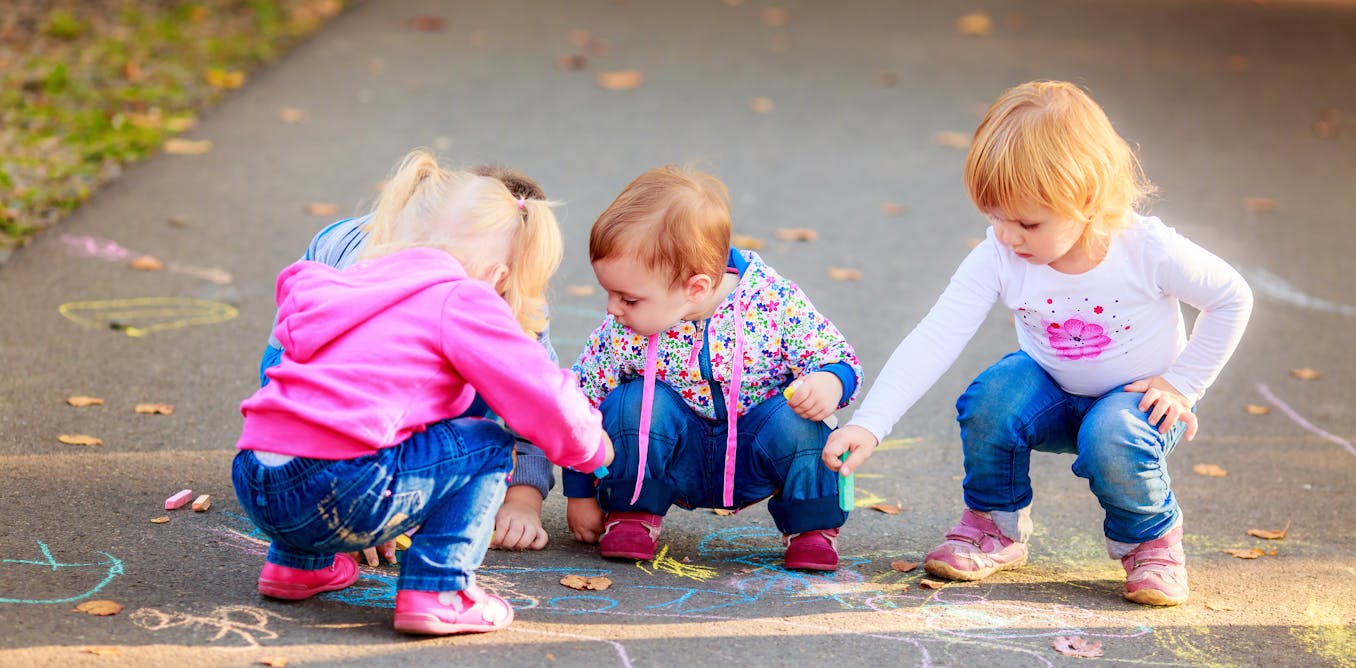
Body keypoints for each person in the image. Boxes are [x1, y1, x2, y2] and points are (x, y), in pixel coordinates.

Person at [823, 81, 1253, 606]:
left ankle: (1151, 545)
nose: (1008, 236)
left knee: (1113, 434)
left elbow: (1231, 297)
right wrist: (871, 422)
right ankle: (993, 525)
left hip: (1136, 408)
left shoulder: (1147, 249)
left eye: (1027, 222)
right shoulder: (1000, 254)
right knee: (993, 397)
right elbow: (937, 334)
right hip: (1051, 394)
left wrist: (1182, 384)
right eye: (994, 217)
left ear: (1087, 200)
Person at [233, 149, 613, 635]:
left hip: (257, 477)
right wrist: (590, 447)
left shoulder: (335, 278)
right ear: (498, 275)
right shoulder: (462, 296)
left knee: (334, 424)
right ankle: (439, 590)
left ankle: (296, 566)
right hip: (341, 487)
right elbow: (541, 395)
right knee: (488, 443)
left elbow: (294, 372)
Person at [563, 166, 862, 571]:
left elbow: (837, 356)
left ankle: (812, 527)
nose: (612, 308)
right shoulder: (622, 329)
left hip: (754, 448)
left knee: (804, 418)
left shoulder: (772, 302)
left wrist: (829, 381)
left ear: (696, 288)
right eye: (609, 293)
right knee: (631, 401)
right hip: (676, 453)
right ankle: (631, 510)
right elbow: (579, 402)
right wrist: (580, 493)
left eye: (628, 298)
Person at [258, 165, 560, 553]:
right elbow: (305, 377)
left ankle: (300, 552)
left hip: (261, 465)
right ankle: (433, 576)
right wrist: (358, 510)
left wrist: (523, 500)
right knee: (481, 438)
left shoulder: (515, 297)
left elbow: (536, 397)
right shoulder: (363, 268)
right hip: (316, 388)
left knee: (494, 376)